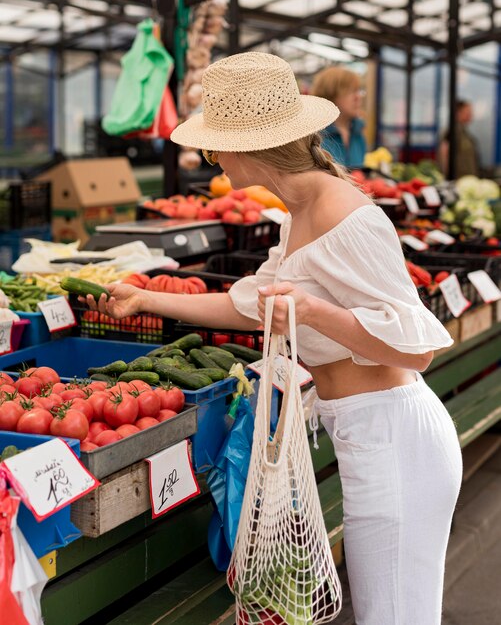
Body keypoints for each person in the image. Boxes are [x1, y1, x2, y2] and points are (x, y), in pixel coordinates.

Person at [83, 52, 462, 624]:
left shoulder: (347, 216)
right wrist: (146, 299)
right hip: (368, 433)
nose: (211, 160)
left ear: (250, 147)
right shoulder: (303, 209)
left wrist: (310, 312)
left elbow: (417, 348)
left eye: (214, 147)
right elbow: (250, 303)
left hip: (395, 438)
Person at [310, 65, 366, 167]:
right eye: (351, 91)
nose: (358, 97)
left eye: (358, 91)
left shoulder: (358, 133)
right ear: (330, 95)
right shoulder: (315, 136)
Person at [439, 100, 480, 178]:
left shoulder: (464, 132)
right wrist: (447, 178)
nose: (471, 115)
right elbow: (444, 152)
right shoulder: (452, 130)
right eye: (468, 112)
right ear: (458, 113)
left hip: (468, 180)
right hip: (457, 180)